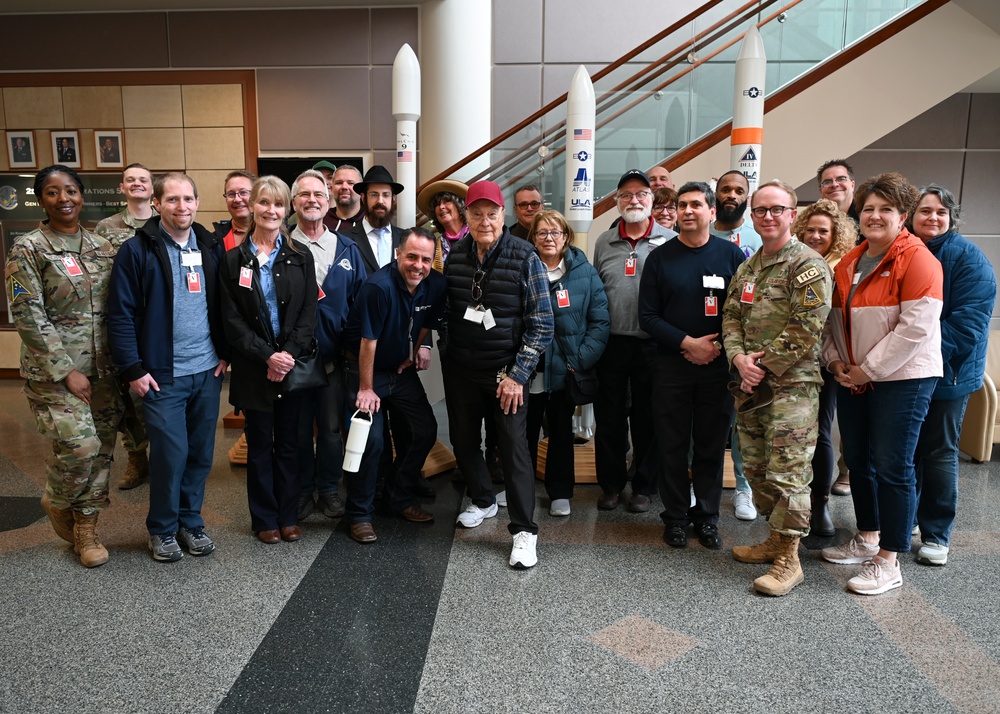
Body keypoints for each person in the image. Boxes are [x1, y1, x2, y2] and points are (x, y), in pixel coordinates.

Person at [820, 172, 943, 596]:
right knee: (858, 459)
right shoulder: (851, 260)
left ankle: (889, 558)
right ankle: (868, 535)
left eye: (885, 209)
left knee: (893, 465)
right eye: (868, 208)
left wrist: (866, 370)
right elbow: (832, 322)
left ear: (902, 215)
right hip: (854, 376)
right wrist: (836, 362)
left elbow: (916, 329)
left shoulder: (918, 258)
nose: (875, 216)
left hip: (903, 380)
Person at [108, 172, 230, 563]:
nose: (182, 207)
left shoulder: (210, 246)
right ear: (157, 204)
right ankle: (162, 529)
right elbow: (121, 314)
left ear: (197, 203)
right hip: (161, 375)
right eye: (173, 200)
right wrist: (133, 369)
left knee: (200, 454)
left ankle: (190, 522)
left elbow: (225, 306)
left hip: (207, 370)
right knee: (169, 454)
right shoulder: (137, 250)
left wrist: (225, 352)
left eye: (189, 199)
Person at [6, 165, 122, 568]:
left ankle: (86, 530)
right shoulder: (29, 248)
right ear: (41, 199)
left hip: (105, 368)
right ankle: (58, 501)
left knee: (103, 450)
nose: (64, 199)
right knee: (80, 445)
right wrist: (65, 369)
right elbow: (27, 314)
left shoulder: (102, 246)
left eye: (71, 190)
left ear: (82, 195)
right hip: (55, 373)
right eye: (53, 192)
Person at [723, 179, 831, 597]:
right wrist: (738, 359)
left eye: (776, 209)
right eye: (760, 210)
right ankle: (774, 538)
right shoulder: (748, 267)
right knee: (756, 467)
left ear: (793, 214)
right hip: (750, 386)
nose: (767, 217)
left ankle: (790, 558)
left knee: (788, 472)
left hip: (791, 389)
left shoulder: (806, 264)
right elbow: (730, 317)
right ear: (752, 216)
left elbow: (806, 327)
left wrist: (760, 366)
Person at [443, 180, 553, 569]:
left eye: (491, 214)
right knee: (463, 439)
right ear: (466, 216)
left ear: (503, 216)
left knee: (513, 448)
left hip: (506, 373)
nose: (484, 221)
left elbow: (542, 324)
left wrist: (517, 376)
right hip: (461, 370)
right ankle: (485, 500)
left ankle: (524, 531)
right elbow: (447, 313)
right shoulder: (455, 255)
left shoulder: (525, 256)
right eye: (476, 213)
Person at [639, 181, 745, 549]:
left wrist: (713, 346)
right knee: (672, 444)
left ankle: (708, 517)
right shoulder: (659, 258)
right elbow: (648, 317)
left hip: (717, 368)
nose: (686, 211)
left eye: (696, 204)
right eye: (682, 204)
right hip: (672, 366)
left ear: (712, 212)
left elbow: (742, 313)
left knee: (711, 446)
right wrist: (687, 343)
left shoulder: (732, 258)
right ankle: (676, 517)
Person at [219, 176, 317, 545]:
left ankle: (288, 515)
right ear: (252, 207)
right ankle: (264, 518)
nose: (271, 210)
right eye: (264, 203)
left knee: (291, 443)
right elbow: (230, 320)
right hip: (253, 367)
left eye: (278, 204)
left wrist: (287, 355)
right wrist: (267, 357)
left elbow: (309, 312)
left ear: (286, 209)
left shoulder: (300, 256)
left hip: (292, 367)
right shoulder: (232, 260)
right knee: (259, 445)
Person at [342, 228, 447, 543]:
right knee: (369, 442)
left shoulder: (436, 285)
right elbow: (367, 343)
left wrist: (412, 353)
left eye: (425, 259)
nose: (418, 265)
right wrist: (365, 388)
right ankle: (359, 514)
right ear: (398, 254)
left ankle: (397, 497)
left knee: (424, 429)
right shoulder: (379, 287)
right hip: (363, 368)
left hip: (399, 370)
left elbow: (427, 323)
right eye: (412, 256)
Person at [910, 184, 995, 566]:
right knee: (906, 451)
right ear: (911, 216)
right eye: (925, 210)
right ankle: (908, 518)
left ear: (951, 218)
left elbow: (967, 328)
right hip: (905, 373)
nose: (932, 218)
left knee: (939, 451)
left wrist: (912, 355)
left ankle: (936, 534)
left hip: (949, 374)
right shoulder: (902, 252)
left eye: (940, 212)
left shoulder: (968, 259)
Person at [591, 169, 673, 513]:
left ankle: (643, 485)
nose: (634, 200)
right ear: (617, 202)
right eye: (626, 195)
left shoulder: (671, 239)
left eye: (641, 194)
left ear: (652, 200)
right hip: (611, 343)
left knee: (648, 419)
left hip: (654, 345)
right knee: (608, 418)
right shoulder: (604, 241)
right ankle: (610, 485)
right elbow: (596, 292)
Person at [290, 169, 367, 522]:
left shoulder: (347, 247)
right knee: (300, 431)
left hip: (335, 361)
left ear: (329, 201)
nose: (312, 200)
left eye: (318, 195)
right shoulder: (281, 247)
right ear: (294, 202)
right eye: (304, 195)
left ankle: (329, 489)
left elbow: (361, 304)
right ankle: (303, 492)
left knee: (332, 431)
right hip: (292, 362)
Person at [525, 209, 609, 517]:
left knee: (561, 432)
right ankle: (518, 487)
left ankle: (560, 491)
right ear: (532, 238)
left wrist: (578, 361)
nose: (549, 238)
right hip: (528, 369)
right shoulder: (525, 268)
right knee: (522, 433)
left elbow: (600, 322)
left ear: (566, 237)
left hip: (565, 370)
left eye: (555, 232)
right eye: (542, 233)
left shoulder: (585, 272)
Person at [789, 198, 857, 536]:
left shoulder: (843, 268)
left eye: (824, 231)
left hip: (824, 361)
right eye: (810, 230)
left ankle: (820, 505)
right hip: (789, 362)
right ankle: (790, 506)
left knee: (820, 432)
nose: (816, 236)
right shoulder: (793, 261)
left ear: (836, 235)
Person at [96, 163, 157, 490]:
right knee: (127, 397)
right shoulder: (106, 228)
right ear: (122, 187)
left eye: (143, 180)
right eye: (130, 180)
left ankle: (163, 458)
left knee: (159, 395)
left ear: (152, 187)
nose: (137, 184)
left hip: (158, 322)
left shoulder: (165, 221)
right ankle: (137, 459)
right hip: (123, 319)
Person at [417, 178, 469, 272]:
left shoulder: (476, 237)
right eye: (437, 204)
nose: (441, 207)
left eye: (446, 201)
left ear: (459, 205)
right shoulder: (435, 246)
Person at [214, 170, 257, 251]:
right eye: (231, 194)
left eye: (243, 192)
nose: (237, 199)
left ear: (256, 196)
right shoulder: (215, 241)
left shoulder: (274, 233)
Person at [817, 159, 859, 226]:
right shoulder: (815, 220)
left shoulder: (865, 216)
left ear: (852, 185)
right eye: (827, 182)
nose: (834, 184)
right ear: (821, 191)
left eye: (841, 179)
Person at [326, 165, 366, 233]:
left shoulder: (371, 220)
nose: (344, 187)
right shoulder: (322, 221)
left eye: (351, 183)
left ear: (361, 190)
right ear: (332, 189)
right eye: (339, 183)